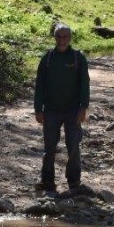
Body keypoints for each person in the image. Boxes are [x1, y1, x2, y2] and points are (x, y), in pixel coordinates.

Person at [33, 22, 92, 197]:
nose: (61, 40)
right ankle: (47, 181)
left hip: (73, 111)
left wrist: (84, 108)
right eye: (58, 36)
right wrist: (38, 109)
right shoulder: (48, 58)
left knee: (73, 146)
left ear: (70, 38)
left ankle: (74, 182)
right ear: (54, 37)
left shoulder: (78, 58)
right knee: (49, 147)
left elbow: (84, 84)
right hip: (51, 110)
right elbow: (39, 86)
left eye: (65, 36)